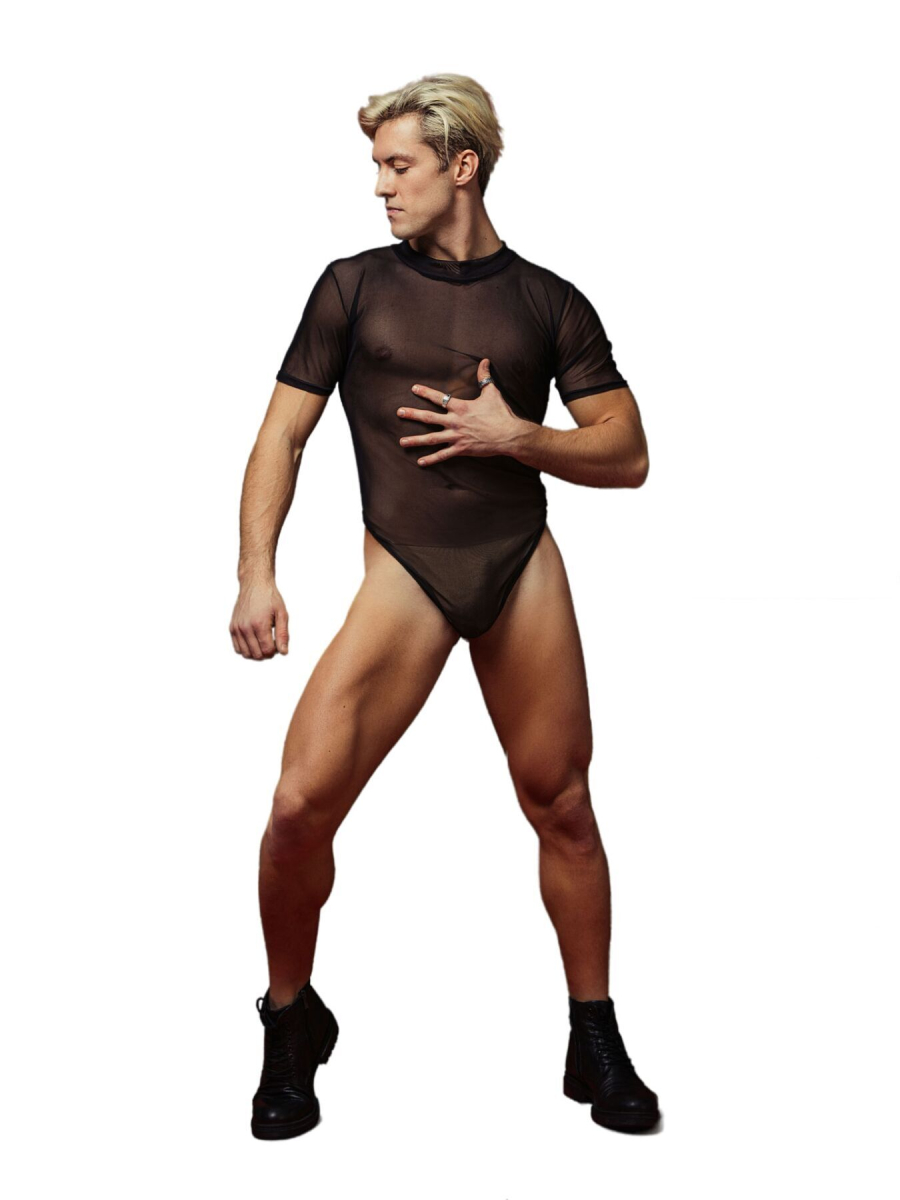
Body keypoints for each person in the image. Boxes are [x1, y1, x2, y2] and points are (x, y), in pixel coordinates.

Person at [230, 73, 660, 1140]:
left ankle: (595, 1034)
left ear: (462, 167)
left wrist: (519, 437)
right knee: (299, 808)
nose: (380, 186)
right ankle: (290, 1019)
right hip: (405, 570)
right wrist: (255, 573)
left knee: (563, 802)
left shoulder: (549, 302)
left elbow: (628, 453)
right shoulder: (351, 288)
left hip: (518, 564)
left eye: (399, 165)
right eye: (377, 166)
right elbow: (282, 434)